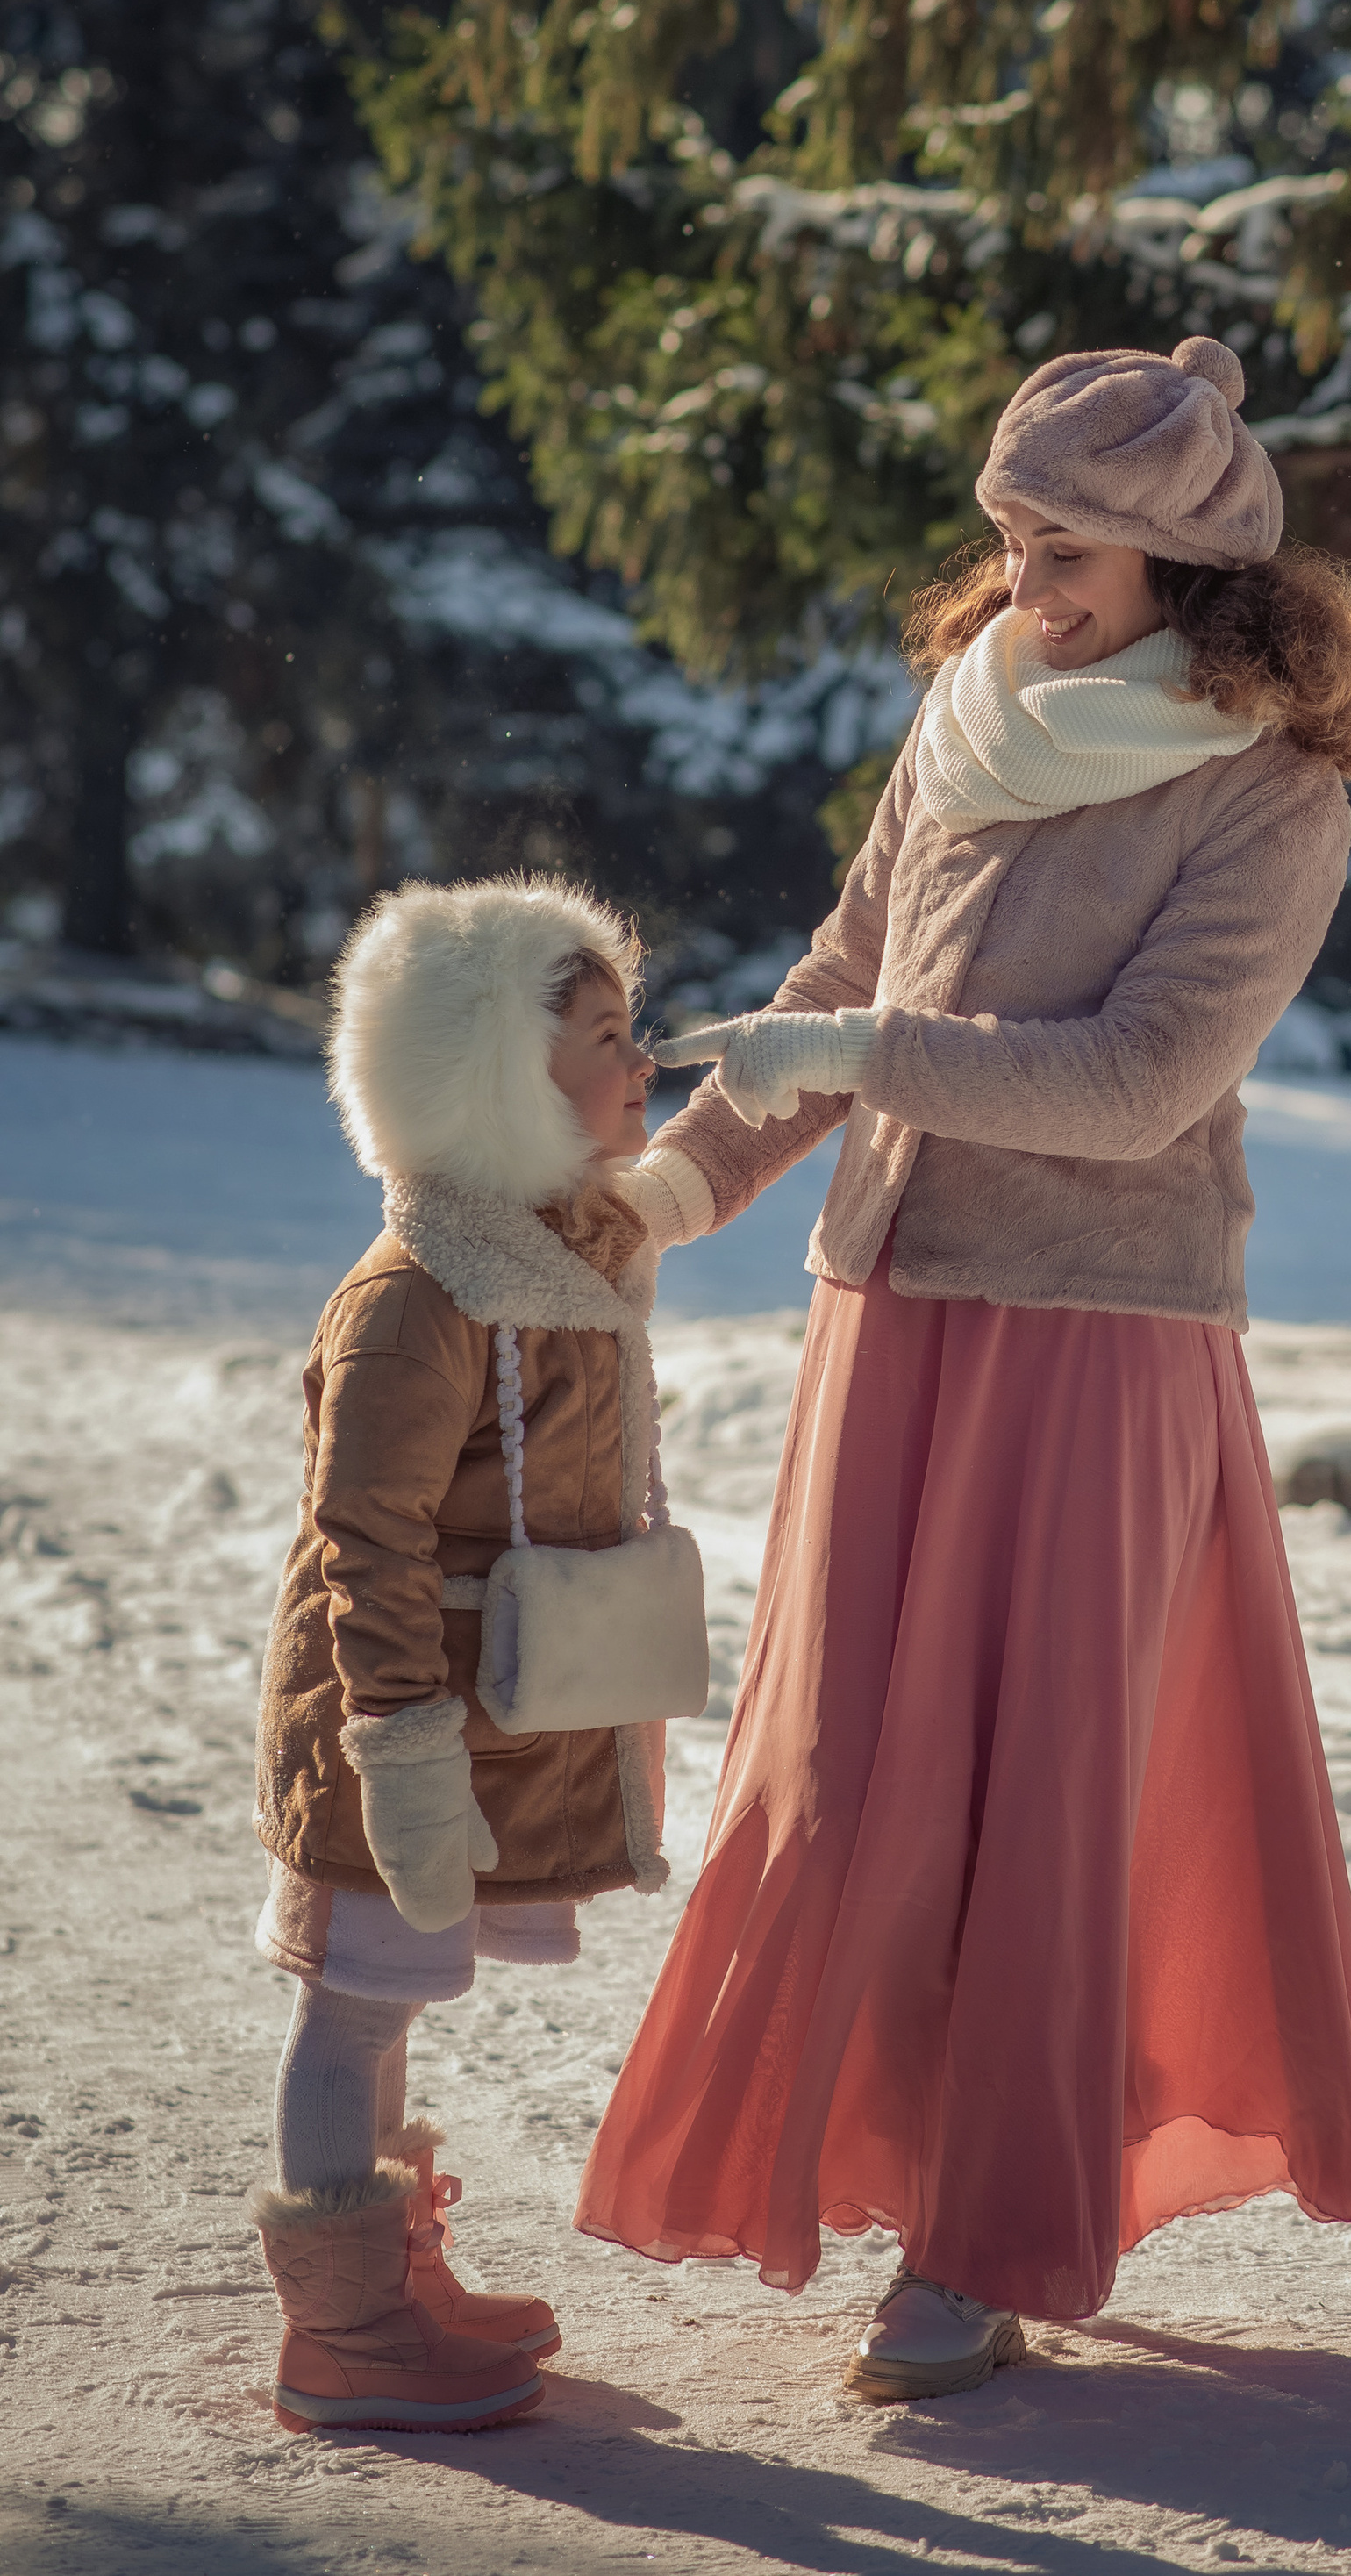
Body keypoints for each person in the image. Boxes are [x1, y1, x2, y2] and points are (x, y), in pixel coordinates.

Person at [579, 332, 1351, 2400]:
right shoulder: (966, 714)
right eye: (1012, 540)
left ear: (1182, 570)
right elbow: (841, 972)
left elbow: (1136, 1085)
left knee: (1040, 1794)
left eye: (1067, 553)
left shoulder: (1266, 787)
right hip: (890, 1311)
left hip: (1094, 1338)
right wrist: (681, 1188)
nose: (1025, 586)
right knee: (840, 1767)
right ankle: (862, 2153)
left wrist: (861, 1058)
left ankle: (988, 2239)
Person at [248, 876, 668, 2436]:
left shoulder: (545, 1255)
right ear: (498, 1081)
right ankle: (342, 2330)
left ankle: (388, 2276)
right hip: (391, 1719)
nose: (643, 1062)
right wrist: (403, 1748)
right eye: (608, 1037)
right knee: (354, 2000)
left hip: (455, 1716)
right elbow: (363, 1537)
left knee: (392, 1997)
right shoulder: (416, 1297)